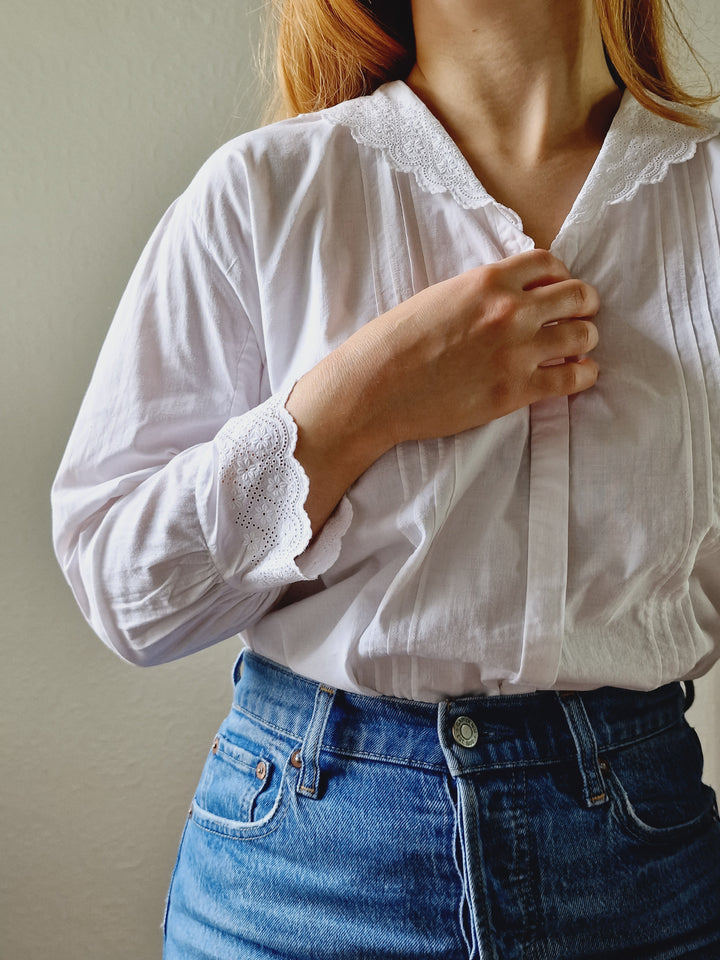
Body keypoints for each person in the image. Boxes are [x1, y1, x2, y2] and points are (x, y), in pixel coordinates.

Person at [52, 0, 720, 956]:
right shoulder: (262, 193)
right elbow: (127, 594)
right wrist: (353, 408)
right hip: (302, 882)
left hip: (650, 873)